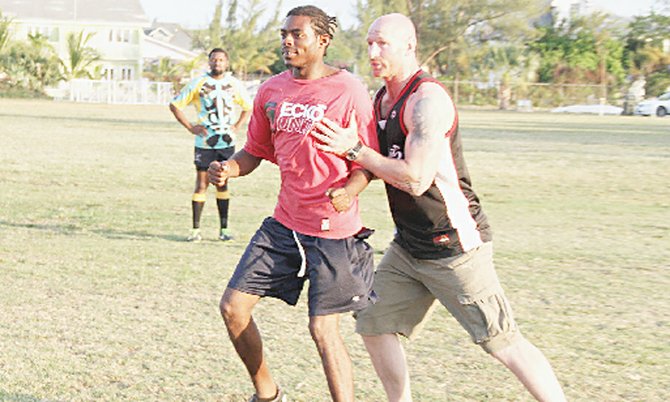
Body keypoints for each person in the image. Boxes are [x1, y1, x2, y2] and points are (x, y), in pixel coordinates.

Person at [311, 13, 567, 402]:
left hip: (455, 248)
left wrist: (355, 149)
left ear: (410, 45)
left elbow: (415, 177)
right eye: (369, 44)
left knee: (502, 342)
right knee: (373, 321)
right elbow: (378, 164)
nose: (373, 51)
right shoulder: (381, 99)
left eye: (383, 43)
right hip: (409, 247)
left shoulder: (427, 101)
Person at [207, 6, 378, 402]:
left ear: (323, 40)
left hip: (334, 233)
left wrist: (350, 191)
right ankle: (267, 394)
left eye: (297, 34)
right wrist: (229, 169)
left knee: (322, 331)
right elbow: (254, 152)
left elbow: (367, 159)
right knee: (233, 307)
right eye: (284, 33)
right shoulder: (271, 91)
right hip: (285, 224)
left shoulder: (349, 89)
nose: (287, 41)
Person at [169, 48, 252, 242]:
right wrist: (191, 127)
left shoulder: (234, 84)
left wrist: (237, 125)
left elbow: (248, 107)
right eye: (214, 60)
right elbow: (175, 105)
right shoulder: (198, 83)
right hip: (205, 142)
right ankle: (195, 230)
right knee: (201, 184)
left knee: (222, 183)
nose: (218, 63)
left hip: (226, 141)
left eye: (221, 60)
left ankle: (224, 229)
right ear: (209, 62)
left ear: (227, 63)